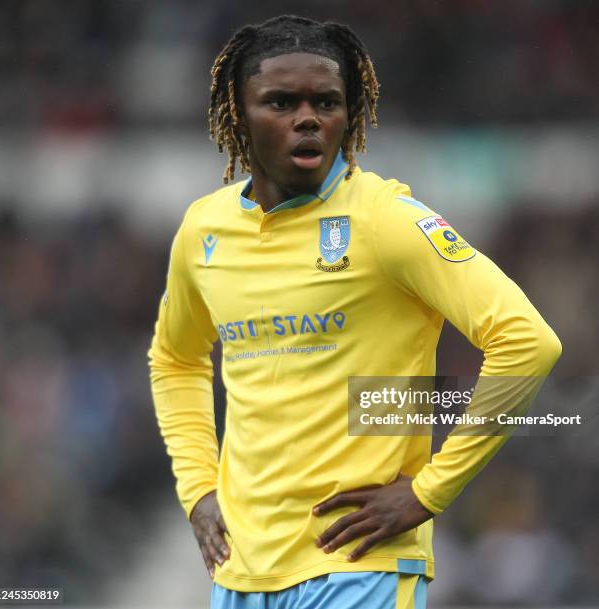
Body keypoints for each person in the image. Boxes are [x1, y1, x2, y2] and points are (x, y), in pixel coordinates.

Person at [148, 14, 561, 609]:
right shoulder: (203, 230)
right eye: (281, 102)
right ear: (238, 113)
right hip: (242, 573)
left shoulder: (385, 220)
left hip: (357, 567)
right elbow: (176, 358)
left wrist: (428, 493)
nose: (308, 118)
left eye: (327, 102)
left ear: (351, 113)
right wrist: (197, 488)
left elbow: (529, 342)